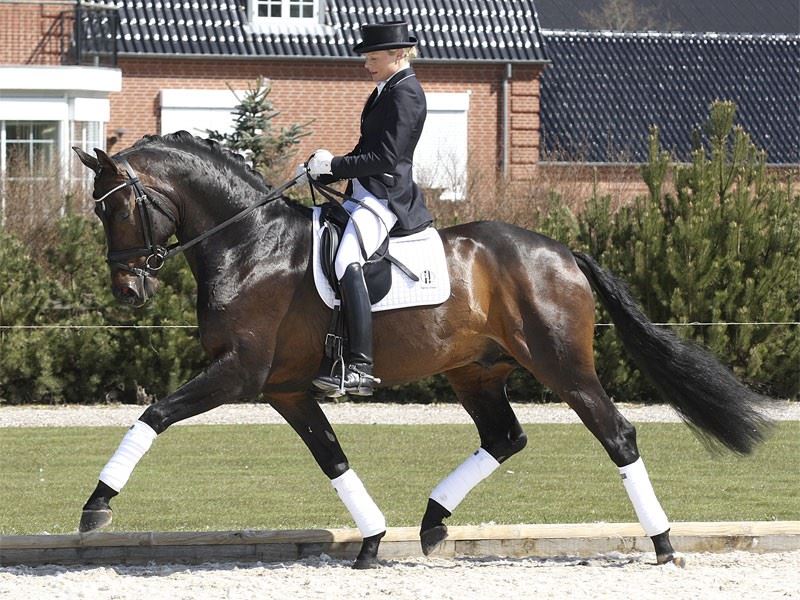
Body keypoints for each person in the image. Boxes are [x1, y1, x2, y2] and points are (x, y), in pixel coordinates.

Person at [302, 20, 433, 397]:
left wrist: (335, 165)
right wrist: (322, 171)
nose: (366, 65)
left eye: (373, 59)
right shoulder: (385, 90)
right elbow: (365, 149)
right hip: (362, 192)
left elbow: (386, 158)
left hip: (386, 197)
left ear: (399, 54)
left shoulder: (406, 93)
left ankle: (360, 365)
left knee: (346, 260)